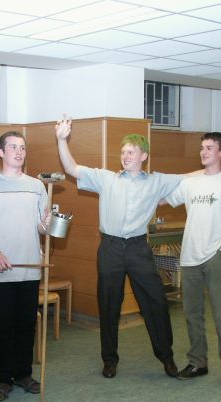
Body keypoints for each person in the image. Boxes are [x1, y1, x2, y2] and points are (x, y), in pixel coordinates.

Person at [55, 116, 181, 380]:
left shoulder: (157, 181)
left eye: (131, 152)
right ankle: (109, 360)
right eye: (123, 152)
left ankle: (167, 357)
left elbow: (189, 178)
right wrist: (61, 139)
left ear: (143, 156)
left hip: (138, 248)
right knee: (109, 304)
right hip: (110, 247)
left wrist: (220, 170)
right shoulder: (106, 179)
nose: (125, 156)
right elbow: (71, 167)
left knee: (156, 301)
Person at [163, 132, 221, 389]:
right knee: (192, 314)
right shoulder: (190, 183)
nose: (203, 151)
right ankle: (198, 363)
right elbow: (162, 197)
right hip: (190, 258)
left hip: (216, 257)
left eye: (209, 148)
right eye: (202, 147)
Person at [0, 131, 49, 402]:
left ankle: (24, 374)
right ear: (1, 152)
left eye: (22, 147)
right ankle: (3, 379)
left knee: (27, 324)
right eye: (13, 147)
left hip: (30, 267)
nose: (19, 152)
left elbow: (42, 227)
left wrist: (48, 222)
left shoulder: (37, 186)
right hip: (0, 269)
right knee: (3, 327)